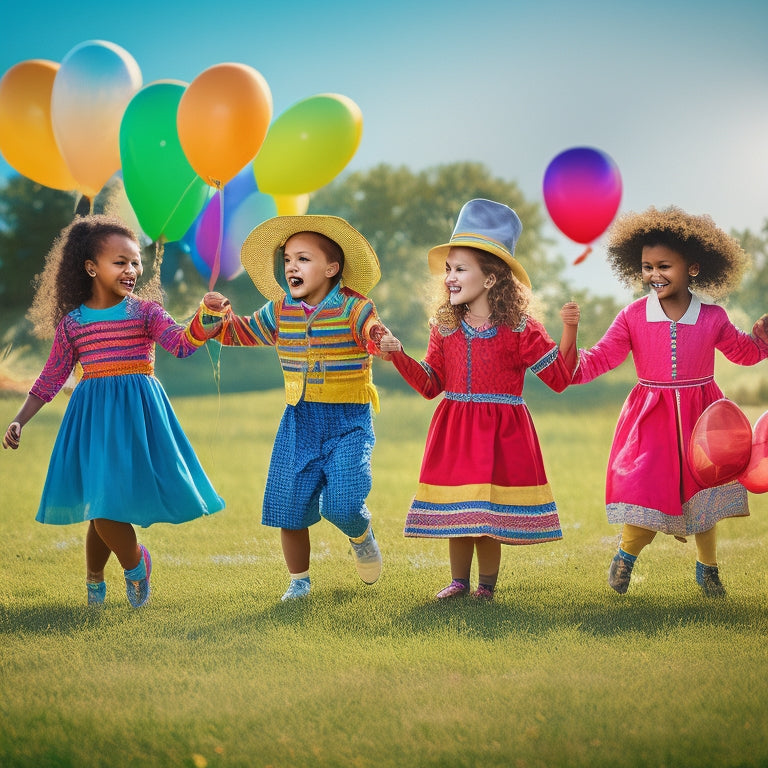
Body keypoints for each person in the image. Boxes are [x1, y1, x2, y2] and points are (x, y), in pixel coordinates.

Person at [2, 215, 225, 608]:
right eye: (120, 261)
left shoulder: (145, 312)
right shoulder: (73, 324)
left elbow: (181, 344)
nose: (132, 270)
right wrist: (20, 419)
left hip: (138, 418)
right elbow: (51, 377)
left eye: (135, 261)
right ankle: (94, 580)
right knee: (99, 503)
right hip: (93, 419)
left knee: (105, 504)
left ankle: (136, 566)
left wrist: (205, 318)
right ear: (91, 267)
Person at [378, 198, 580, 601]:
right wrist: (398, 354)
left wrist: (569, 331)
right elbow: (430, 384)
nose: (450, 278)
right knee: (461, 513)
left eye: (460, 269)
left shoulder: (522, 328)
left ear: (490, 279)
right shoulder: (444, 326)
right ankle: (458, 582)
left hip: (503, 433)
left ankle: (485, 587)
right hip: (456, 429)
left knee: (488, 516)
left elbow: (559, 378)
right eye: (448, 270)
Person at [569, 206, 768, 597]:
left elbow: (743, 352)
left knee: (704, 493)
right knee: (646, 489)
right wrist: (568, 356)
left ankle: (707, 569)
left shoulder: (712, 317)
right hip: (651, 419)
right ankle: (626, 554)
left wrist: (762, 339)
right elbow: (600, 358)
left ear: (693, 268)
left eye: (664, 266)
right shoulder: (632, 316)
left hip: (704, 419)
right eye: (646, 267)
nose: (653, 275)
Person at [203, 215, 386, 601]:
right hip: (299, 420)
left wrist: (381, 340)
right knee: (289, 505)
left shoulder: (355, 307)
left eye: (303, 259)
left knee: (344, 503)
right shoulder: (280, 309)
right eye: (287, 259)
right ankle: (299, 581)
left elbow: (372, 335)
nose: (291, 267)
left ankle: (361, 533)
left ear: (331, 268)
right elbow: (240, 331)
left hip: (348, 420)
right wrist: (216, 316)